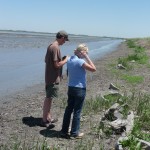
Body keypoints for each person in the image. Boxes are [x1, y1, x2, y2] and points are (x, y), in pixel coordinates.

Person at [60, 43, 96, 138]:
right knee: (77, 111)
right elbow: (93, 69)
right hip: (79, 89)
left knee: (68, 109)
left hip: (71, 87)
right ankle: (74, 133)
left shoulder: (69, 59)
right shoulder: (80, 62)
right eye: (85, 53)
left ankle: (64, 131)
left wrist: (79, 53)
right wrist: (86, 57)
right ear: (81, 53)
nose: (85, 55)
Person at [41, 30, 69, 127]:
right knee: (48, 98)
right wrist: (65, 60)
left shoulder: (51, 45)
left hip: (49, 76)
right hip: (52, 78)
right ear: (62, 38)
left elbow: (46, 60)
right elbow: (57, 65)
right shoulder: (55, 47)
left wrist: (61, 60)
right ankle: (45, 120)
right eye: (65, 40)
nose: (64, 42)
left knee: (50, 97)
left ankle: (48, 117)